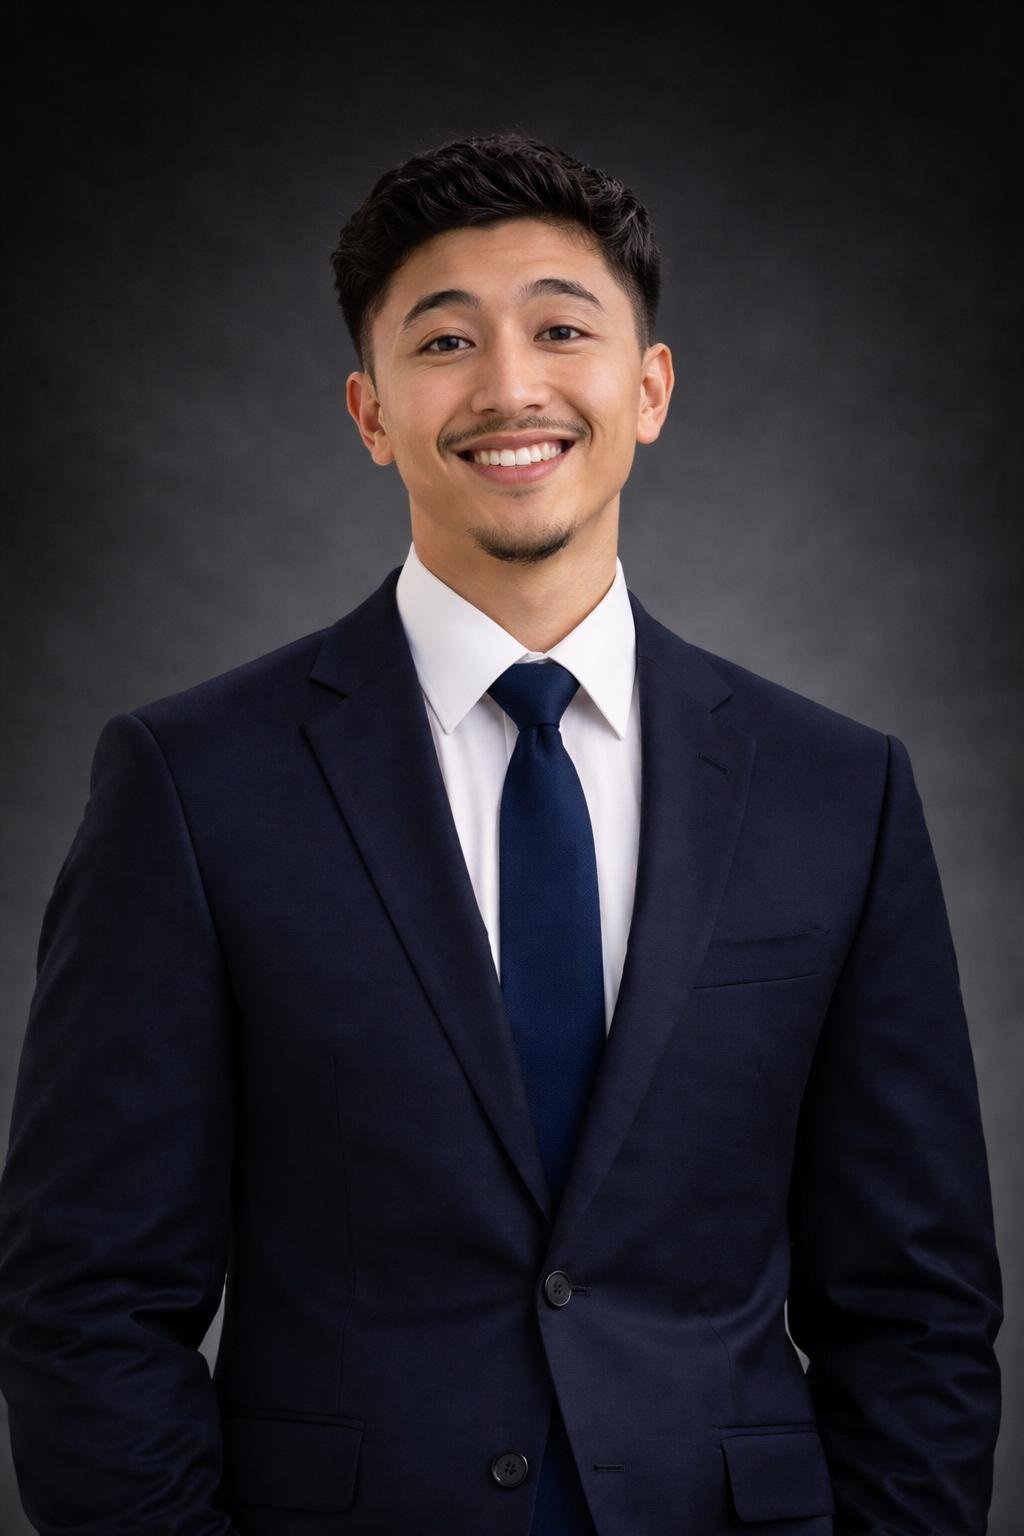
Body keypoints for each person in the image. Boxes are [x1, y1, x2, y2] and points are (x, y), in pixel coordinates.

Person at [0, 131, 1003, 1536]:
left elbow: (916, 1307)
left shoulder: (836, 790)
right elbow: (87, 1297)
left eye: (561, 328)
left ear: (648, 388)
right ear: (370, 411)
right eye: (445, 341)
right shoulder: (191, 782)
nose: (510, 386)